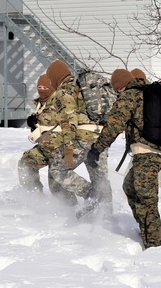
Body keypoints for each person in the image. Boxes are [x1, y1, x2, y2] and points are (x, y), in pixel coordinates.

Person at [86, 69, 161, 249]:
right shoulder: (153, 94)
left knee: (146, 198)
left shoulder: (129, 97)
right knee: (129, 186)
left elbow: (113, 127)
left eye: (116, 90)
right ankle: (146, 229)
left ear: (120, 87)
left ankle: (154, 245)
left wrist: (97, 148)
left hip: (147, 154)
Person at [44, 60, 112, 213]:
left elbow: (69, 120)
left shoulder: (65, 90)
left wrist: (68, 148)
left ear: (55, 76)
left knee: (57, 169)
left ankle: (91, 194)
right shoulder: (83, 86)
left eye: (50, 78)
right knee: (101, 180)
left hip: (82, 138)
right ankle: (106, 215)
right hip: (100, 138)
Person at [17, 74, 56, 193]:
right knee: (26, 163)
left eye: (45, 88)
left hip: (59, 148)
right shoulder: (40, 104)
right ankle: (35, 195)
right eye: (40, 87)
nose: (41, 90)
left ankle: (70, 208)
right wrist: (33, 125)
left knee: (56, 184)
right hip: (44, 147)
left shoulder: (60, 102)